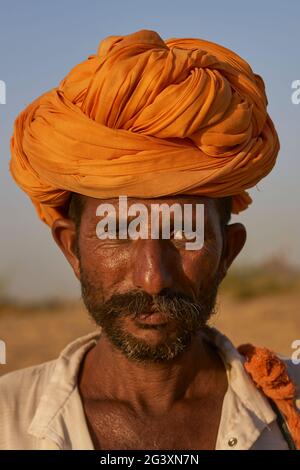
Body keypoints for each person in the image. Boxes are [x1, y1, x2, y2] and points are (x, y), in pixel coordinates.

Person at [1, 29, 299, 450]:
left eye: (183, 233)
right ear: (71, 248)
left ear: (228, 251)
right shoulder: (7, 419)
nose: (152, 278)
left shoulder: (289, 404)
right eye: (119, 232)